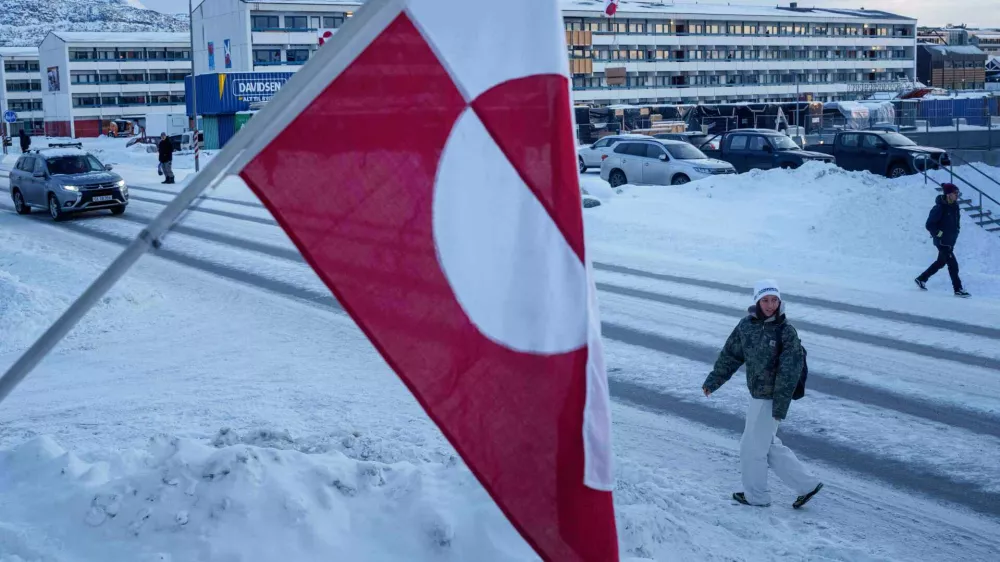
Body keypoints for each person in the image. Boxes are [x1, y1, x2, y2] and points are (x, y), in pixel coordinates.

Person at [702, 280, 823, 509]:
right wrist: (713, 381)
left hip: (771, 398)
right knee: (767, 445)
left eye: (774, 300)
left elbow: (789, 372)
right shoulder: (746, 326)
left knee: (751, 447)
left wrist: (779, 406)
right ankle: (806, 485)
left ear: (780, 301)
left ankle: (756, 496)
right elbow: (731, 356)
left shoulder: (785, 331)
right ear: (757, 301)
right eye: (765, 300)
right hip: (757, 395)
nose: (770, 305)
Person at [915, 183, 969, 298]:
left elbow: (956, 222)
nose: (957, 195)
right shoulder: (940, 208)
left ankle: (921, 279)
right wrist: (940, 234)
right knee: (953, 265)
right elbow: (929, 224)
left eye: (957, 193)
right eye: (955, 193)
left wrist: (957, 230)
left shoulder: (955, 206)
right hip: (942, 242)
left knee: (940, 262)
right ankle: (958, 289)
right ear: (948, 194)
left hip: (950, 242)